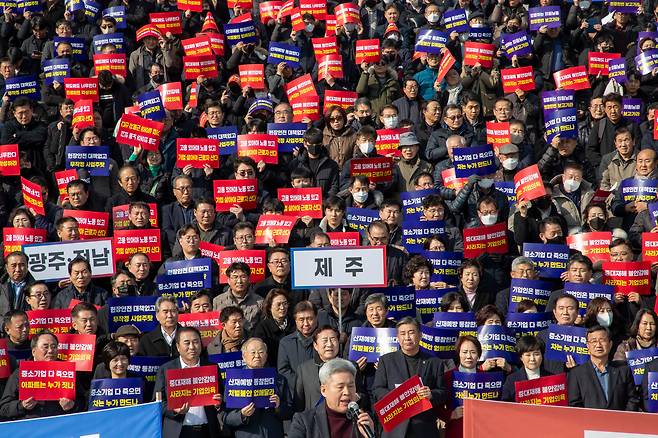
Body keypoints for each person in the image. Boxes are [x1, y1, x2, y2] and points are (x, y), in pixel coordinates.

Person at [373, 316, 447, 438]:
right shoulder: (386, 360)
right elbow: (377, 390)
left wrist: (431, 394)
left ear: (420, 336)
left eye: (411, 332)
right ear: (397, 338)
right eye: (403, 333)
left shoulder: (434, 362)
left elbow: (443, 392)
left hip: (423, 427)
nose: (407, 337)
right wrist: (397, 397)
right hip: (395, 426)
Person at [153, 327, 222, 438]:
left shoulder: (211, 367)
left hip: (207, 431)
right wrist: (174, 410)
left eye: (196, 342)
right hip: (178, 432)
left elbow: (222, 397)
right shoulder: (166, 370)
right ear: (178, 346)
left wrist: (218, 404)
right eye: (187, 343)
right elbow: (157, 403)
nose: (192, 347)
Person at [0, 331, 82, 419]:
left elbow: (83, 401)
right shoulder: (21, 373)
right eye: (45, 347)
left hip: (61, 424)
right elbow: (4, 409)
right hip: (30, 425)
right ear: (34, 351)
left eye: (54, 347)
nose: (50, 351)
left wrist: (72, 405)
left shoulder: (67, 371)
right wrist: (22, 405)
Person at [223, 337, 292, 438]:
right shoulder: (234, 381)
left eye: (261, 352)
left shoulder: (278, 379)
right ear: (244, 356)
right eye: (253, 352)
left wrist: (278, 406)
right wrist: (242, 415)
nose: (257, 356)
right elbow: (226, 417)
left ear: (266, 355)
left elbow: (289, 411)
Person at [288, 358, 375, 438]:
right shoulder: (304, 421)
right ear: (324, 390)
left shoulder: (365, 420)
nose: (347, 392)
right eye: (340, 387)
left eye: (351, 386)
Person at [567, 325, 639, 411]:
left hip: (619, 422)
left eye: (602, 340)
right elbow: (575, 404)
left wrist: (624, 419)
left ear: (610, 344)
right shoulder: (576, 373)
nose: (598, 345)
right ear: (587, 346)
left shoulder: (623, 369)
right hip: (589, 423)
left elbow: (632, 399)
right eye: (594, 341)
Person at [278, 301, 322, 392]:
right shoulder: (286, 343)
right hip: (295, 393)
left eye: (309, 319)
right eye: (301, 320)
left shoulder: (325, 339)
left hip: (321, 390)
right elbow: (283, 370)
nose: (306, 324)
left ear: (316, 318)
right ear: (296, 321)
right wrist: (302, 384)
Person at [295, 326, 341, 412]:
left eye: (333, 339)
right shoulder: (304, 369)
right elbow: (298, 404)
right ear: (315, 345)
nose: (329, 344)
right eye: (324, 340)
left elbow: (362, 395)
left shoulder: (349, 366)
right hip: (313, 421)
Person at [212, 261, 263, 332]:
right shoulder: (217, 301)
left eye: (243, 277)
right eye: (235, 277)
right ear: (229, 280)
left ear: (249, 279)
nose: (239, 281)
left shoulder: (260, 302)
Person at [252, 288, 295, 368]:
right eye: (278, 304)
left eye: (285, 303)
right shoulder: (262, 328)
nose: (282, 307)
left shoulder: (295, 324)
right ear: (269, 307)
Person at [501, 336, 552, 402]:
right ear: (521, 357)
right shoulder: (512, 380)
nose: (532, 359)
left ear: (542, 356)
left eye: (536, 354)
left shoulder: (551, 378)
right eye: (528, 355)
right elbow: (505, 405)